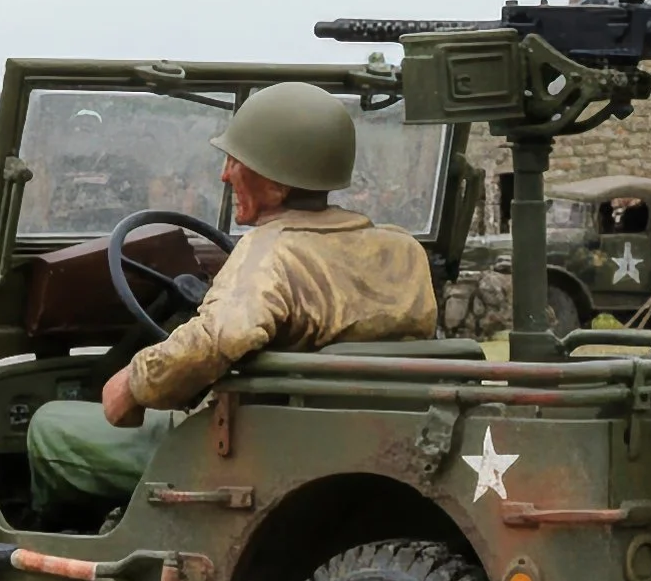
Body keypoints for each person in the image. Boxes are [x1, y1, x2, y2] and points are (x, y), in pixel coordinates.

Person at [24, 82, 436, 517]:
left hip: (253, 450)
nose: (225, 174)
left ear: (275, 185)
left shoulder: (270, 252)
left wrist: (131, 383)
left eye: (238, 162)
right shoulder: (402, 251)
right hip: (366, 443)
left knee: (49, 426)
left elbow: (218, 338)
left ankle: (59, 544)